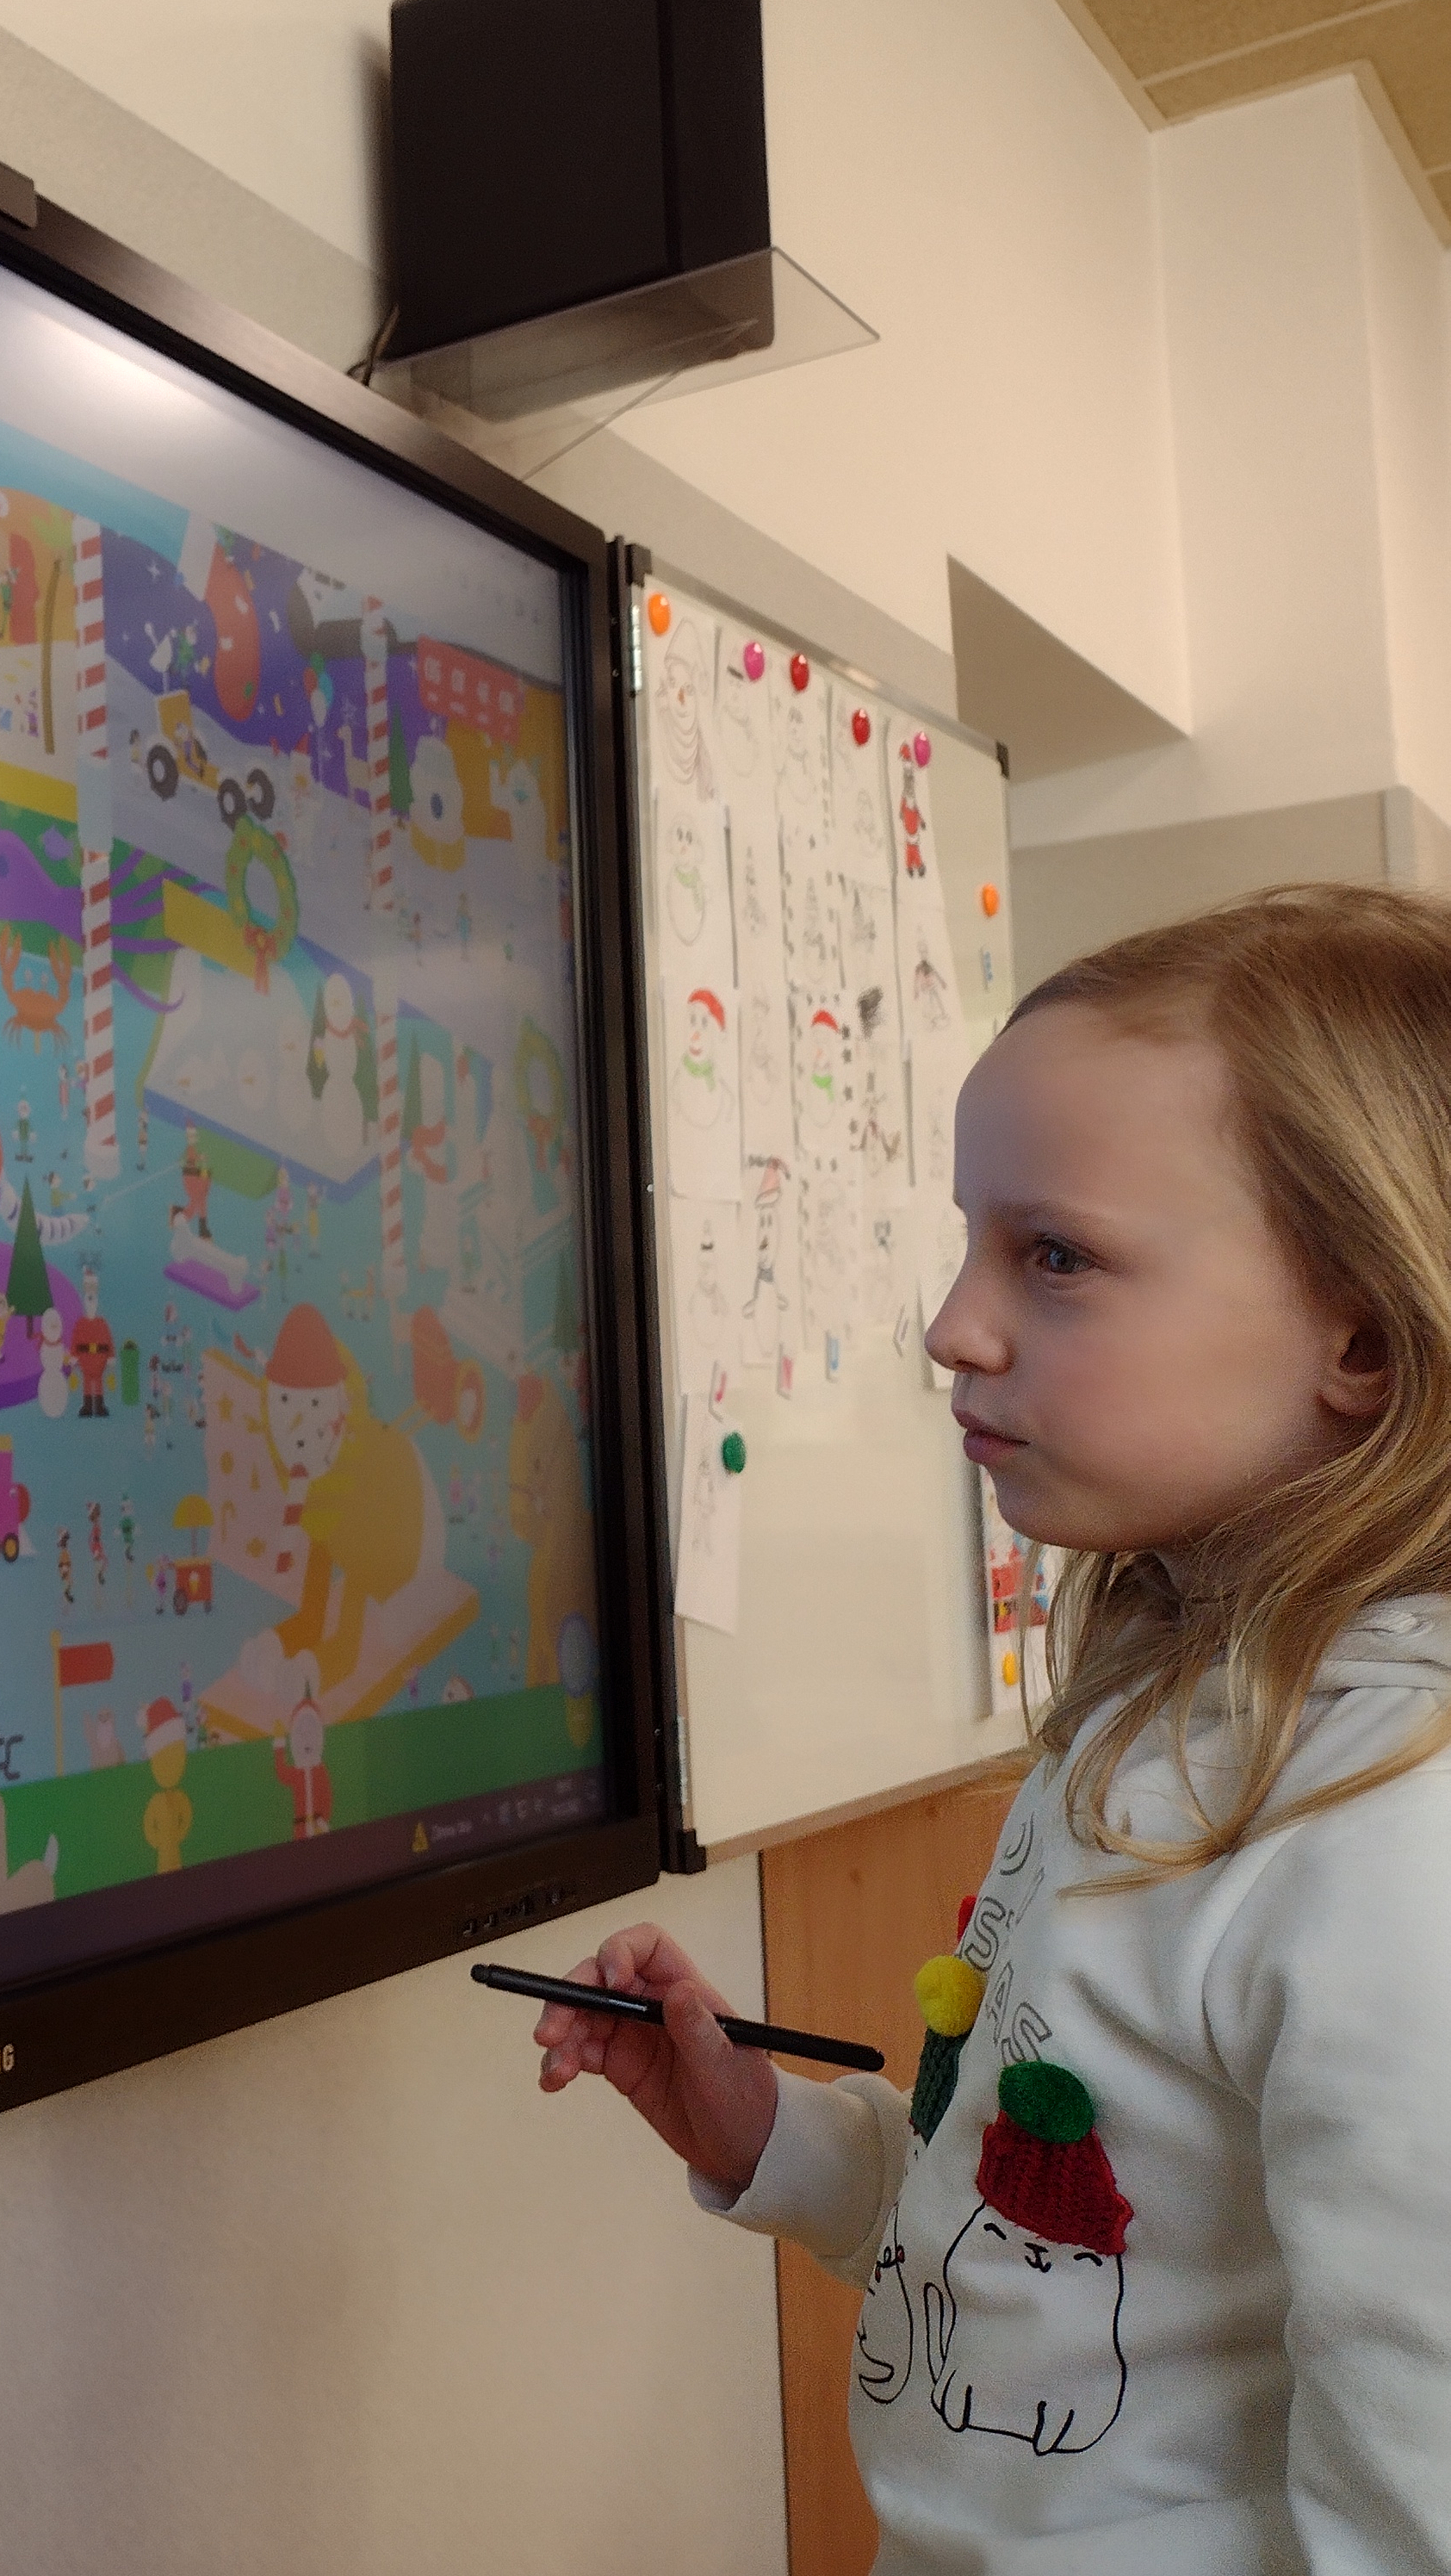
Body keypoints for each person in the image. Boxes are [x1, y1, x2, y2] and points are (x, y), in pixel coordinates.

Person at [530, 883, 1451, 2568]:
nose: (951, 1325)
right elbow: (1064, 2247)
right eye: (971, 1242)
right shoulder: (1144, 1724)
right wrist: (772, 2137)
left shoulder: (1393, 1835)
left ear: (1366, 1338)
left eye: (1055, 1256)